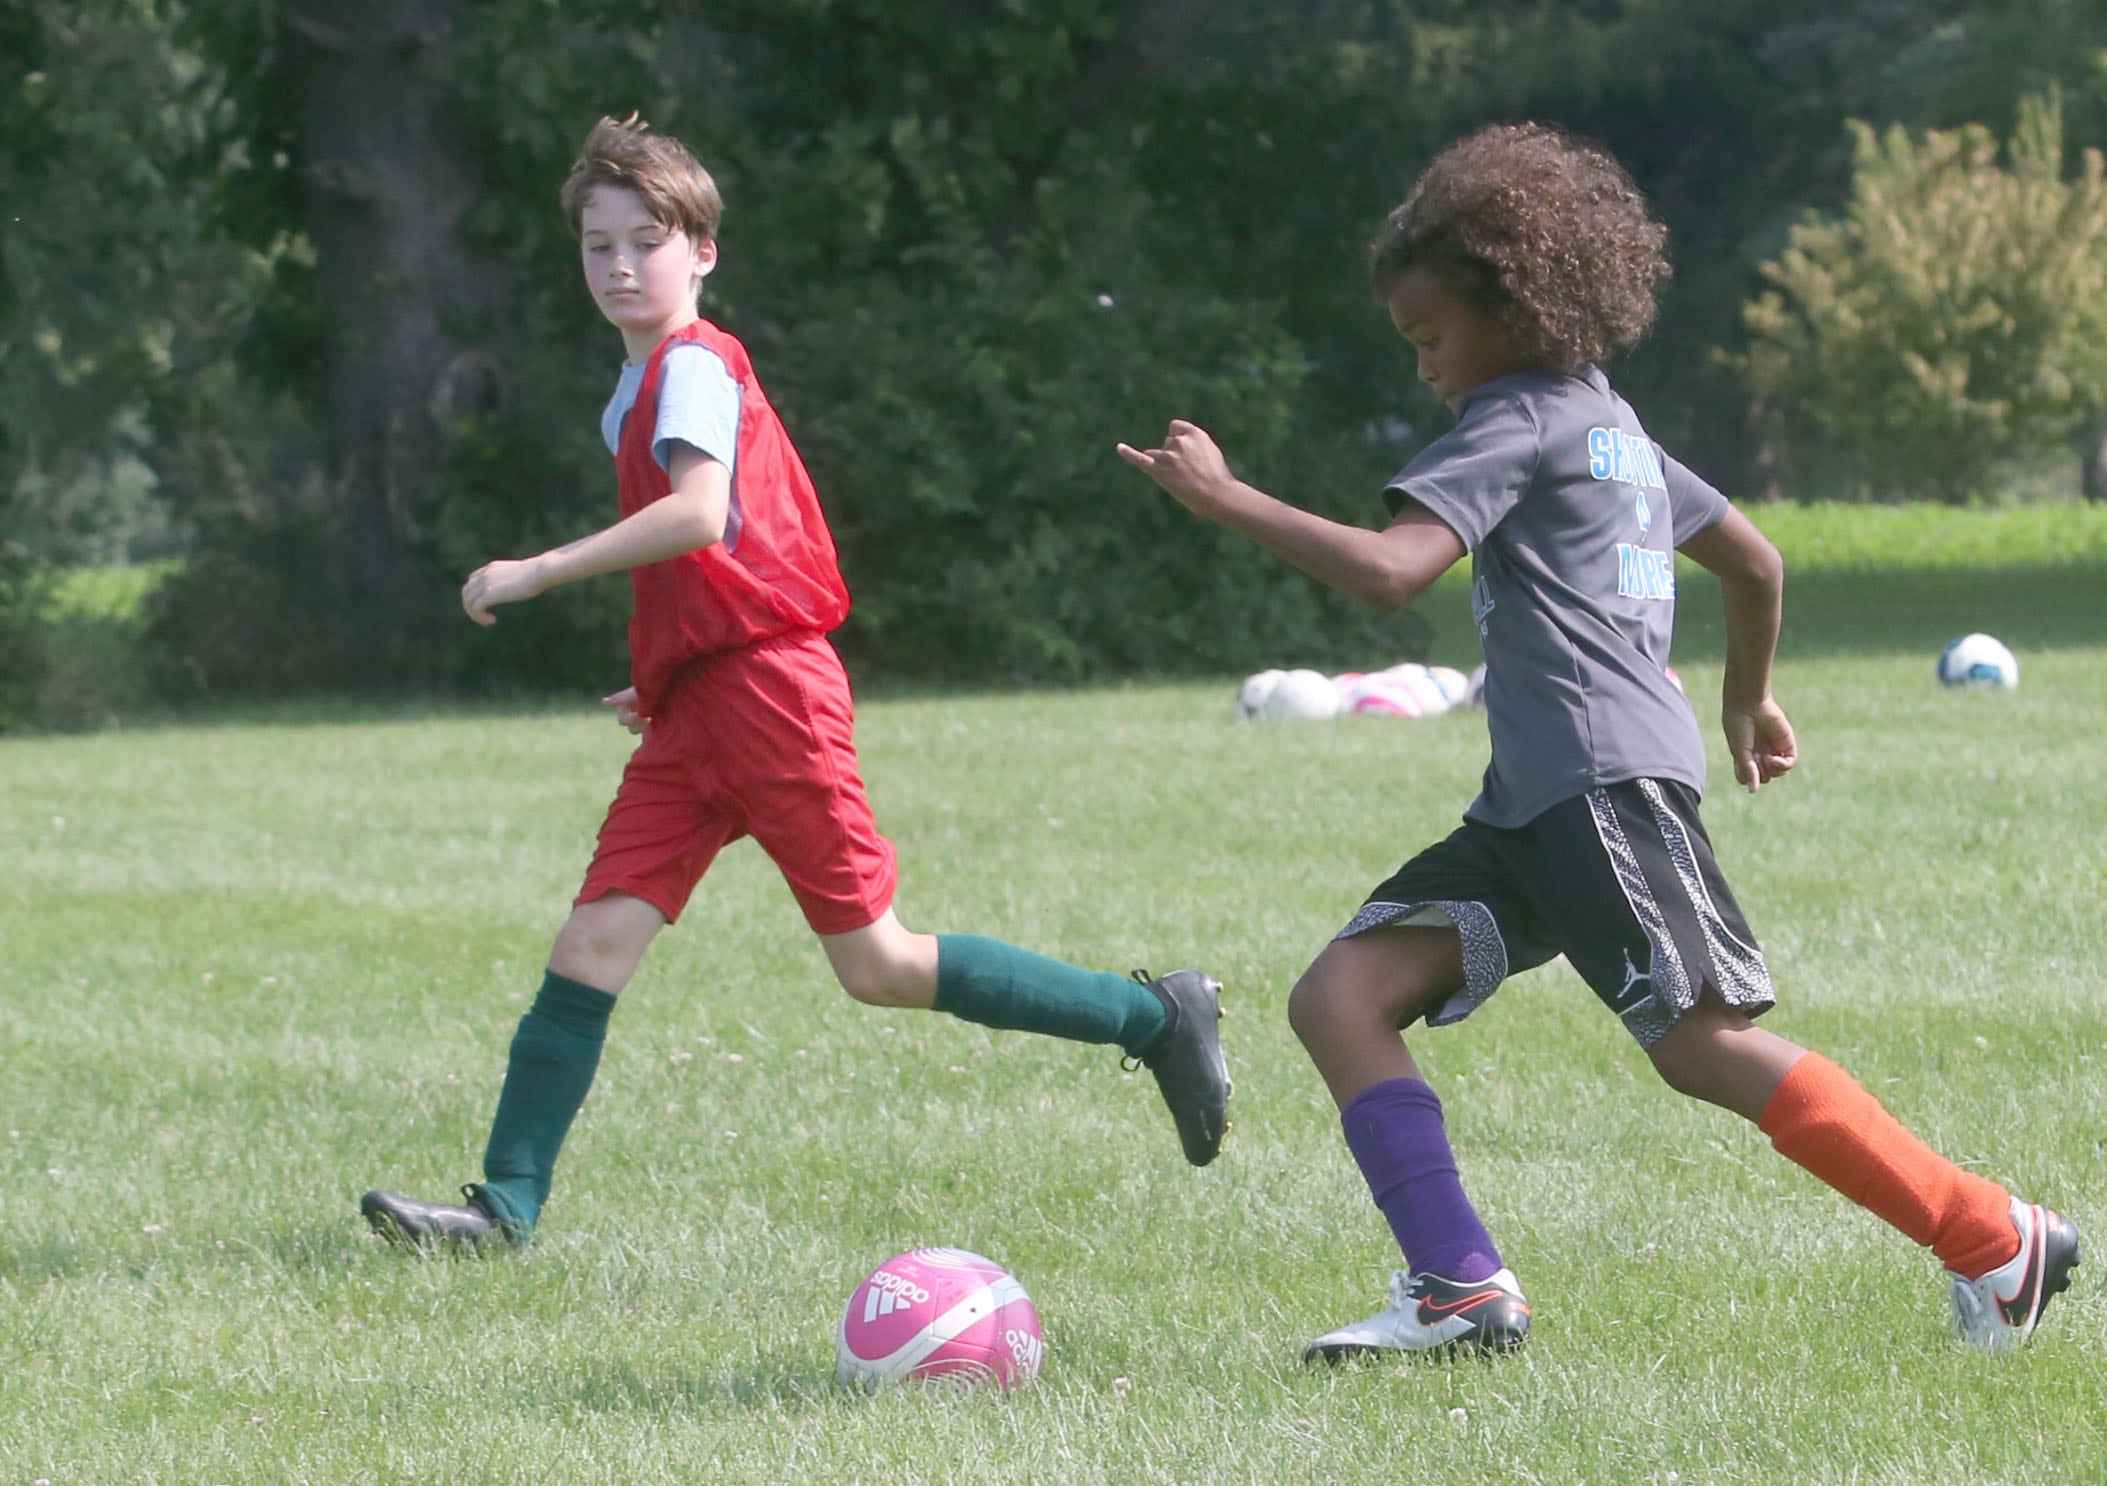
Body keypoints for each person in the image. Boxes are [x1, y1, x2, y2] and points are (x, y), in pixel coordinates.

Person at [1118, 122, 2078, 1358]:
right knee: (1340, 994)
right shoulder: (1610, 423)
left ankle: (1990, 1234)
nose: (1424, 370)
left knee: (1697, 1044)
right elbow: (1754, 558)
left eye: (1430, 340)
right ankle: (1459, 1286)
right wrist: (1746, 696)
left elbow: (1390, 572)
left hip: (1594, 791)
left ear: (1514, 311)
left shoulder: (1513, 419)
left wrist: (1224, 496)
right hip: (1536, 806)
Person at [360, 114, 1229, 1252]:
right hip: (699, 712)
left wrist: (537, 568)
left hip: (770, 697)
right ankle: (503, 1209)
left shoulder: (693, 367)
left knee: (878, 963)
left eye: (646, 242)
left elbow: (698, 514)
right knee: (590, 948)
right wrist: (662, 671)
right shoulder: (633, 390)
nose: (620, 266)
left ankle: (1154, 1013)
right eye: (597, 245)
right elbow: (709, 563)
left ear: (702, 251)